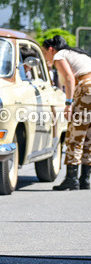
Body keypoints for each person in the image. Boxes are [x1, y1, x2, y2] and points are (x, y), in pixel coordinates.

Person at [42, 35, 91, 191]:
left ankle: (71, 179)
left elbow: (69, 78)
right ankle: (85, 179)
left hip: (86, 88)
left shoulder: (59, 55)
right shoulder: (79, 55)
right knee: (88, 136)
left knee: (74, 136)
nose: (46, 57)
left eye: (45, 53)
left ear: (51, 49)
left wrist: (68, 104)